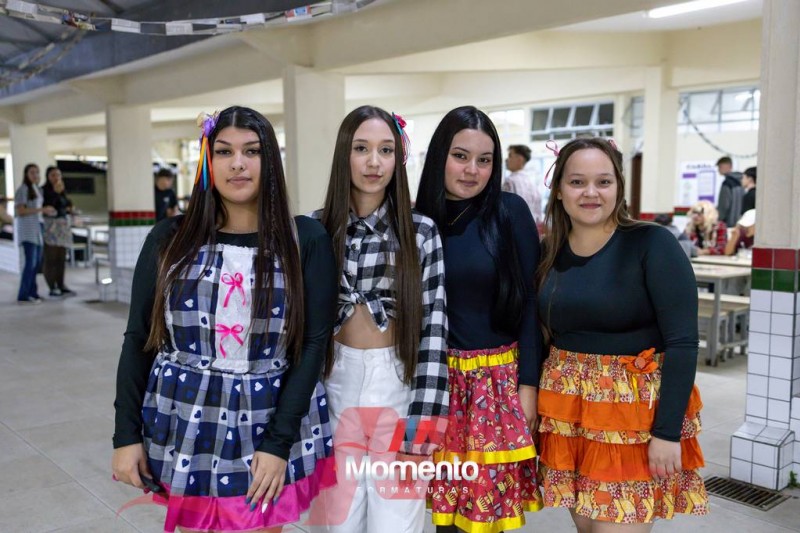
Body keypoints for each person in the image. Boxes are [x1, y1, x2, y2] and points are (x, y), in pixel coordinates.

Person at [112, 106, 338, 533]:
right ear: (207, 161)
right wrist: (125, 434)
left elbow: (313, 344)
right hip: (186, 417)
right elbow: (139, 338)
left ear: (270, 161)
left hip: (269, 417)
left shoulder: (304, 238)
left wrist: (278, 443)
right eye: (224, 151)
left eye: (252, 151)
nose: (238, 163)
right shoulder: (169, 238)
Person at [536, 137, 707, 530]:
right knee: (586, 527)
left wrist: (667, 433)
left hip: (633, 419)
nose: (591, 192)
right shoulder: (548, 251)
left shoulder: (651, 243)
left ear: (619, 187)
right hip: (569, 413)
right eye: (577, 182)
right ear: (559, 190)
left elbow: (682, 342)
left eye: (603, 181)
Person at [310, 105, 449, 533]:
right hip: (334, 382)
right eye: (362, 149)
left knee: (397, 522)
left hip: (398, 383)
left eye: (386, 150)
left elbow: (434, 330)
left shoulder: (420, 231)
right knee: (337, 521)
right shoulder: (316, 229)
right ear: (344, 155)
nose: (374, 162)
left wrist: (424, 428)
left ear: (397, 159)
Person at [417, 106, 543, 532]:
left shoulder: (508, 211)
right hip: (434, 384)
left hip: (495, 386)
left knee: (485, 518)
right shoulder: (418, 220)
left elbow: (531, 302)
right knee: (439, 514)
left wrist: (529, 386)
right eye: (460, 156)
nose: (472, 170)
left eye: (484, 160)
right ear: (440, 157)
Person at [15, 163, 55, 304]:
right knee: (30, 263)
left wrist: (46, 211)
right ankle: (23, 294)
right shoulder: (23, 189)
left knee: (36, 263)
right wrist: (41, 210)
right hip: (28, 231)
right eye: (32, 172)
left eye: (37, 172)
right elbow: (21, 211)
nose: (35, 175)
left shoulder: (37, 189)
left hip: (38, 228)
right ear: (26, 174)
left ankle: (33, 293)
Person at [42, 166, 77, 298]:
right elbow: (49, 205)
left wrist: (70, 207)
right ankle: (52, 287)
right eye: (53, 175)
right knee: (51, 258)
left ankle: (61, 285)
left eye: (58, 175)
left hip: (62, 226)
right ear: (48, 177)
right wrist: (56, 193)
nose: (56, 178)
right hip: (51, 226)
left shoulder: (61, 189)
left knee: (61, 258)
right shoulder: (44, 190)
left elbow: (66, 203)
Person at [502, 144, 543, 225]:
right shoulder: (532, 182)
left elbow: (503, 210)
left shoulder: (510, 182)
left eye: (510, 156)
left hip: (514, 228)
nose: (506, 160)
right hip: (532, 227)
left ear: (519, 159)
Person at [715, 156, 744, 227]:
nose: (718, 169)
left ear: (728, 166)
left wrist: (719, 219)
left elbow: (724, 205)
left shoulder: (727, 183)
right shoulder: (742, 181)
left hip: (729, 223)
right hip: (741, 222)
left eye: (720, 167)